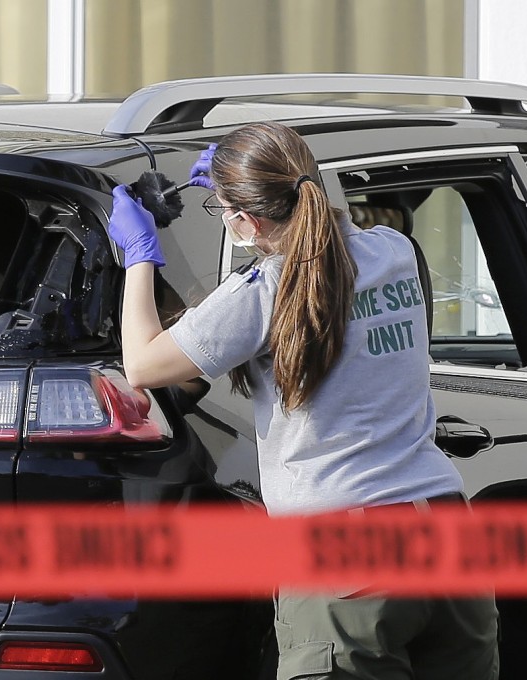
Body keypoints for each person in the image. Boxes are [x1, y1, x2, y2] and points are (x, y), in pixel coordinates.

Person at [106, 121, 499, 680]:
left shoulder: (261, 293)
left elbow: (143, 365)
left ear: (247, 220)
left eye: (225, 211)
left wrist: (141, 256)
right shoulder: (395, 252)